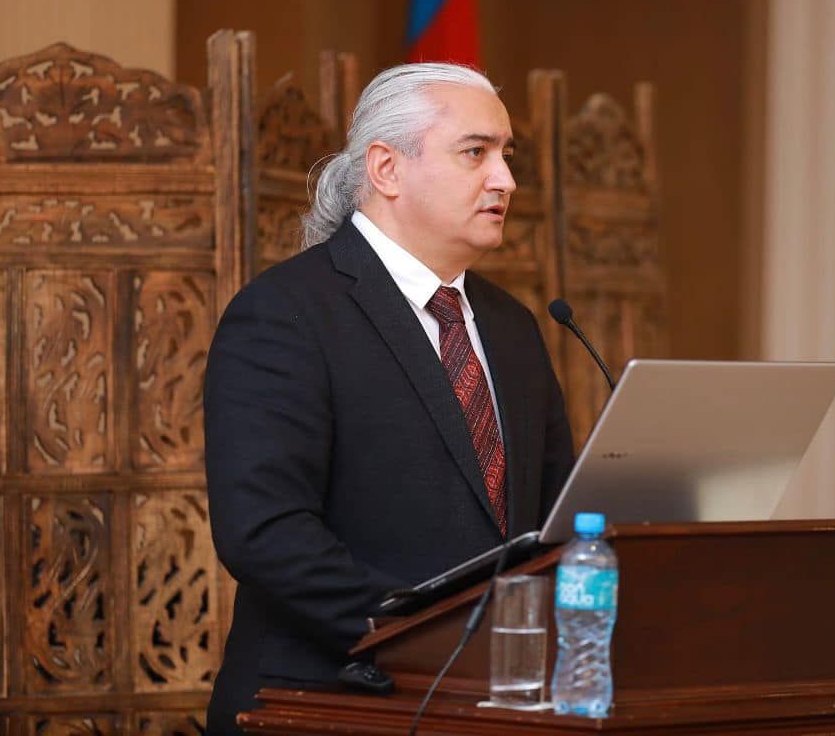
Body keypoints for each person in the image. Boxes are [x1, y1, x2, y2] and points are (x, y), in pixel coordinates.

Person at [202, 63, 575, 733]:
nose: (505, 180)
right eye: (475, 152)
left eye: (507, 154)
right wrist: (431, 630)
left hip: (490, 704)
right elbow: (265, 533)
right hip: (328, 701)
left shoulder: (513, 325)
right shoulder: (286, 313)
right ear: (386, 169)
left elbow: (549, 519)